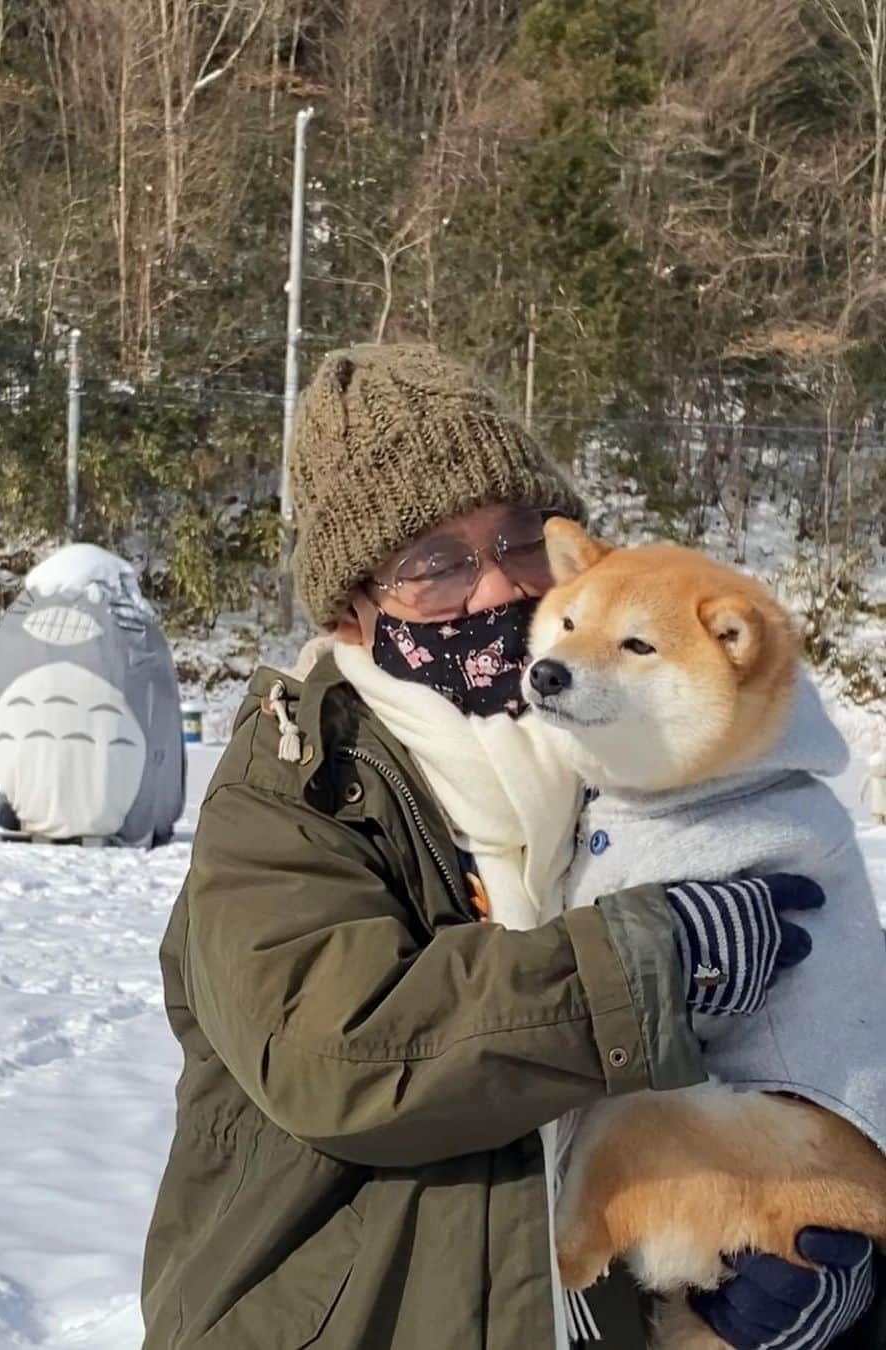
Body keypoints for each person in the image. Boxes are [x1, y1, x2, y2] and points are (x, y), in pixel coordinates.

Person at [141, 345, 880, 1349]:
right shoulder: (295, 790)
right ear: (354, 605)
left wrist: (832, 1255)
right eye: (434, 564)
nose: (495, 591)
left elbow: (821, 1043)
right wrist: (647, 961)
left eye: (522, 539)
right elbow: (341, 1052)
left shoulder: (635, 769)